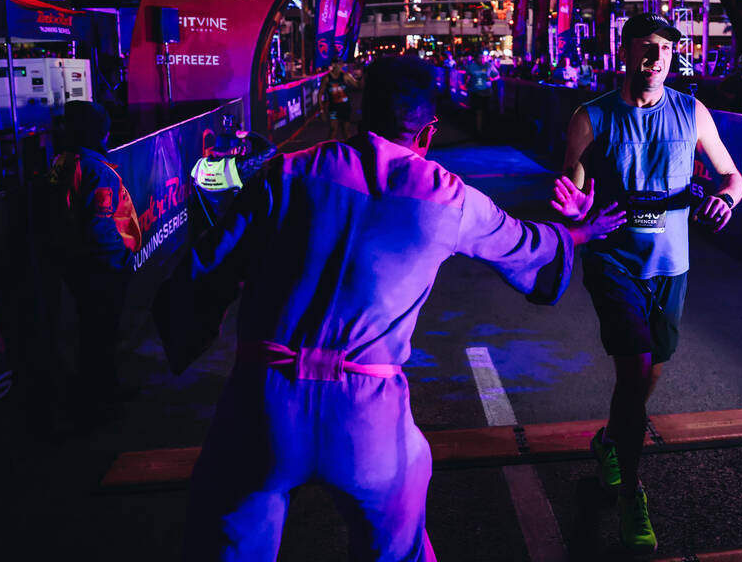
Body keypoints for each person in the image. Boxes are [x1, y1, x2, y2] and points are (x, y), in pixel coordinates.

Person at [158, 56, 624, 562]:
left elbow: (210, 266)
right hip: (368, 415)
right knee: (395, 550)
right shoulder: (451, 198)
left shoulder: (289, 171)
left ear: (362, 110)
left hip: (262, 401)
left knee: (229, 545)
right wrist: (577, 232)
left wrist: (191, 325)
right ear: (427, 130)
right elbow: (526, 248)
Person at [556, 13, 742, 553]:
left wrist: (725, 199)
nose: (657, 57)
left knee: (645, 381)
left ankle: (610, 440)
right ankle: (631, 492)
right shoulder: (591, 117)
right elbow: (574, 192)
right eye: (647, 46)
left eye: (665, 48)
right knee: (636, 369)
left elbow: (734, 177)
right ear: (625, 49)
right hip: (614, 263)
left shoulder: (693, 112)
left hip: (672, 265)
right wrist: (574, 212)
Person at [47, 100, 142, 413]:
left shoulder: (63, 160)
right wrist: (120, 262)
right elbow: (99, 229)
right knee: (101, 334)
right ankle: (98, 400)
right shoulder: (97, 170)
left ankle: (98, 389)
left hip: (72, 261)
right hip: (99, 268)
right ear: (101, 131)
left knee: (90, 333)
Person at [463, 47, 499, 136]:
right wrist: (467, 84)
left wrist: (491, 78)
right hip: (475, 92)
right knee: (477, 112)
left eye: (483, 57)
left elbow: (498, 76)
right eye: (480, 57)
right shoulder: (471, 66)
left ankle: (486, 130)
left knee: (487, 112)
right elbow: (466, 76)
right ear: (476, 58)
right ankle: (478, 131)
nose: (482, 59)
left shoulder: (489, 66)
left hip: (487, 92)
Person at [324, 59, 358, 140]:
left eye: (341, 64)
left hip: (345, 107)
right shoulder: (327, 78)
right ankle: (329, 150)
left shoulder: (346, 76)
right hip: (333, 108)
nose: (341, 66)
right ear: (333, 65)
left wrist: (364, 77)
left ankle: (348, 149)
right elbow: (320, 94)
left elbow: (357, 85)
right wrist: (322, 110)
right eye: (339, 64)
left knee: (345, 130)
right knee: (333, 130)